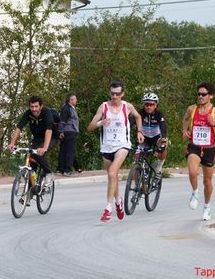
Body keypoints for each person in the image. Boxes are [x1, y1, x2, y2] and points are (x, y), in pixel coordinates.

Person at [88, 80, 144, 223]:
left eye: (117, 94)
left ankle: (108, 209)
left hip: (122, 145)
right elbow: (90, 127)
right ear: (109, 93)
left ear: (122, 94)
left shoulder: (127, 106)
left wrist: (139, 131)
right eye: (112, 93)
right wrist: (101, 123)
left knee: (113, 172)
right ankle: (118, 201)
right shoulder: (104, 106)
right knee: (112, 177)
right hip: (106, 146)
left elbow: (138, 116)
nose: (114, 96)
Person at [182, 82, 215, 221]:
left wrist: (213, 123)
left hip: (209, 149)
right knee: (192, 172)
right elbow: (185, 119)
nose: (200, 96)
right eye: (199, 94)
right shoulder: (192, 109)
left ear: (211, 96)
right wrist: (185, 131)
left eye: (203, 94)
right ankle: (195, 192)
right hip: (195, 146)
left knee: (207, 182)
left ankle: (207, 206)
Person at [8, 95, 59, 187]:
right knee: (31, 162)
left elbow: (49, 130)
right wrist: (12, 143)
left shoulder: (46, 112)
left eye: (36, 106)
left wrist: (44, 148)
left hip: (51, 137)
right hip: (37, 139)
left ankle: (49, 174)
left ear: (41, 106)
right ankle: (30, 191)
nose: (34, 109)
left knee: (39, 153)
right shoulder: (28, 114)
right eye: (32, 107)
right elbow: (19, 127)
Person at [137, 92, 168, 173]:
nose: (149, 107)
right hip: (145, 138)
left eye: (151, 104)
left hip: (156, 138)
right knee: (137, 160)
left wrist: (163, 137)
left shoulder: (159, 114)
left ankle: (159, 166)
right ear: (144, 105)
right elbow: (131, 122)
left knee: (164, 143)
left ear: (155, 105)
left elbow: (163, 126)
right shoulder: (140, 113)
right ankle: (138, 180)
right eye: (146, 104)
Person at [58, 93, 80, 176]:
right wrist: (60, 131)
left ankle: (62, 169)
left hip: (70, 131)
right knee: (70, 151)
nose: (76, 100)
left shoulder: (70, 108)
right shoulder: (67, 108)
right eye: (75, 99)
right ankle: (67, 170)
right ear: (71, 100)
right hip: (69, 132)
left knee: (64, 150)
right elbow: (62, 121)